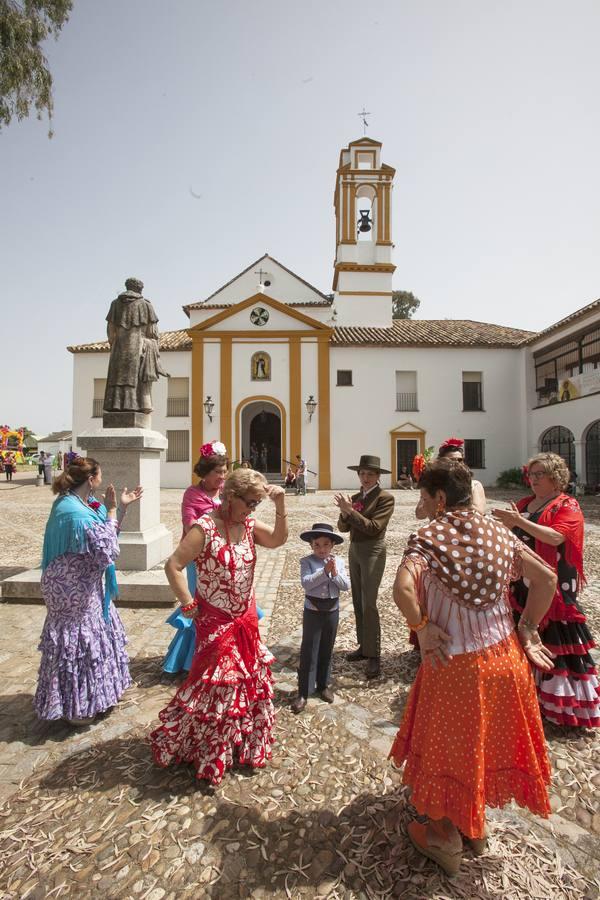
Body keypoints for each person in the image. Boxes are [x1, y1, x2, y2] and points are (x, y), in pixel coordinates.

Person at [390, 459, 556, 876]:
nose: (421, 503)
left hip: (457, 665)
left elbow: (403, 588)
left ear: (440, 498)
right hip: (506, 658)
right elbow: (546, 579)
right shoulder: (500, 531)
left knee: (449, 749)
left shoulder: (428, 537)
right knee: (481, 745)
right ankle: (474, 828)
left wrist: (422, 629)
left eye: (424, 496)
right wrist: (529, 628)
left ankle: (446, 837)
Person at [150, 469, 288, 785]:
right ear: (230, 496)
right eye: (249, 503)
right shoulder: (205, 528)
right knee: (215, 688)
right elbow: (173, 565)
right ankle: (208, 751)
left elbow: (279, 540)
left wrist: (280, 507)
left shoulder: (249, 525)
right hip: (215, 624)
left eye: (256, 504)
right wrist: (188, 603)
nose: (252, 509)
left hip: (246, 621)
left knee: (245, 684)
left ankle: (240, 747)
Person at [493, 452, 599, 728]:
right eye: (532, 473)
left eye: (540, 474)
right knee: (522, 631)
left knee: (555, 640)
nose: (534, 479)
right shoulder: (526, 503)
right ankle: (525, 696)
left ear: (556, 477)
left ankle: (560, 707)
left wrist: (518, 522)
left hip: (553, 582)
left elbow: (555, 536)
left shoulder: (568, 504)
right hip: (523, 582)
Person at [34, 457, 142, 725]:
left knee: (87, 638)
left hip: (77, 583)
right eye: (100, 473)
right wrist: (114, 511)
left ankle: (92, 698)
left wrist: (119, 508)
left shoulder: (75, 503)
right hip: (72, 589)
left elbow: (103, 534)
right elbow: (108, 550)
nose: (102, 477)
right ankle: (77, 707)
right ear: (92, 478)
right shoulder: (76, 512)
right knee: (79, 643)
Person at [162, 441, 228, 676]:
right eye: (218, 472)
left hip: (224, 558)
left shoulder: (227, 491)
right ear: (205, 472)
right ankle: (191, 659)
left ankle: (219, 654)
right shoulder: (192, 493)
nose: (223, 476)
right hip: (197, 558)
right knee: (200, 604)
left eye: (224, 471)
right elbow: (190, 524)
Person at [335, 454, 395, 679]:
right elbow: (342, 527)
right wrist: (344, 512)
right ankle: (363, 646)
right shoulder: (355, 497)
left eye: (370, 474)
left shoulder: (384, 498)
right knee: (358, 600)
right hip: (355, 550)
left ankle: (374, 654)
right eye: (362, 473)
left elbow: (374, 527)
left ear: (378, 476)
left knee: (370, 602)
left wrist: (351, 512)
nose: (366, 477)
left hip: (372, 550)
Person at [291, 523, 350, 714]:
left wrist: (333, 574)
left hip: (332, 610)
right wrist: (324, 572)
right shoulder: (306, 562)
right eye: (317, 545)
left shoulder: (339, 562)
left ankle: (323, 684)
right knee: (309, 650)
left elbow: (345, 586)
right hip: (313, 611)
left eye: (326, 544)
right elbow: (307, 584)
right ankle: (303, 692)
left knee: (327, 647)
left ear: (332, 545)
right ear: (311, 546)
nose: (321, 549)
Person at [416, 438, 486, 518]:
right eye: (451, 460)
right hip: (439, 528)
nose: (457, 463)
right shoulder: (434, 486)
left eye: (460, 460)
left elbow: (479, 513)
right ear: (441, 463)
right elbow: (419, 515)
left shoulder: (474, 485)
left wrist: (457, 498)